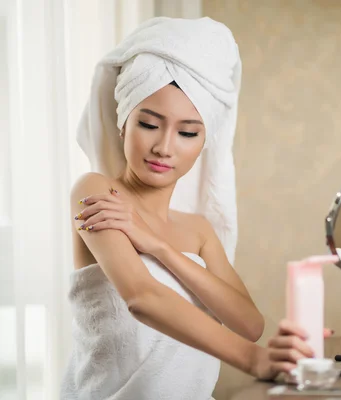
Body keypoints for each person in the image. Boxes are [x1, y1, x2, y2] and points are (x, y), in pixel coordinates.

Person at [61, 17, 314, 400]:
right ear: (123, 124)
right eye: (149, 124)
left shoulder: (198, 231)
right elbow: (141, 297)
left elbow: (249, 323)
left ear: (203, 141)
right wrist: (254, 361)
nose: (165, 147)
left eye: (187, 132)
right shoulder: (96, 192)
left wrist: (158, 247)